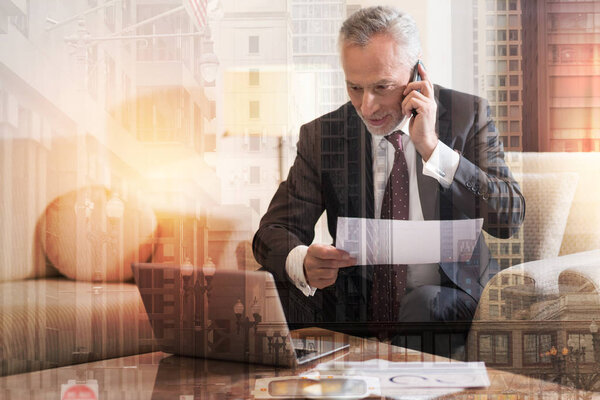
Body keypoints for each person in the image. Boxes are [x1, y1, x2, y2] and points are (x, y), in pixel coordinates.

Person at [252, 6, 524, 348]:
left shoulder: (467, 116)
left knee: (422, 303)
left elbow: (509, 219)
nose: (367, 106)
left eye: (382, 87)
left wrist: (431, 148)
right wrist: (302, 261)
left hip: (447, 293)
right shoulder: (324, 135)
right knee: (266, 289)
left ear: (416, 73)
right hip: (357, 298)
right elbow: (273, 232)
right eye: (355, 87)